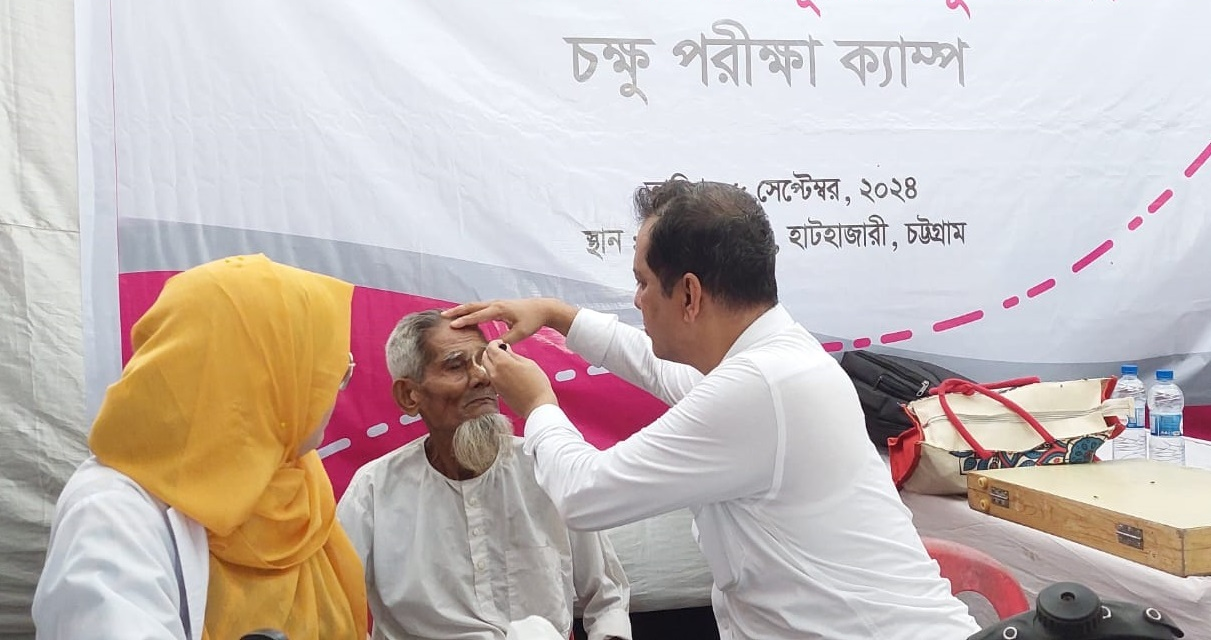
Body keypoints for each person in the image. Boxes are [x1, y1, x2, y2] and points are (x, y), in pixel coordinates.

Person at [444, 180, 982, 640]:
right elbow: (661, 371)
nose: (636, 301)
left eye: (643, 282)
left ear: (690, 296)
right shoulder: (776, 360)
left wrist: (537, 404)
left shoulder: (761, 386)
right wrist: (558, 315)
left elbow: (585, 496)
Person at [33, 254, 368, 640]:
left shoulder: (297, 480)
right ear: (269, 378)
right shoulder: (111, 517)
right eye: (329, 371)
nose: (337, 391)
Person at [336, 310, 632, 640]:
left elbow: (607, 599)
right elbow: (331, 608)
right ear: (409, 395)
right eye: (455, 365)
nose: (483, 377)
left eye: (484, 360)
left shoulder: (544, 467)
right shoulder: (374, 491)